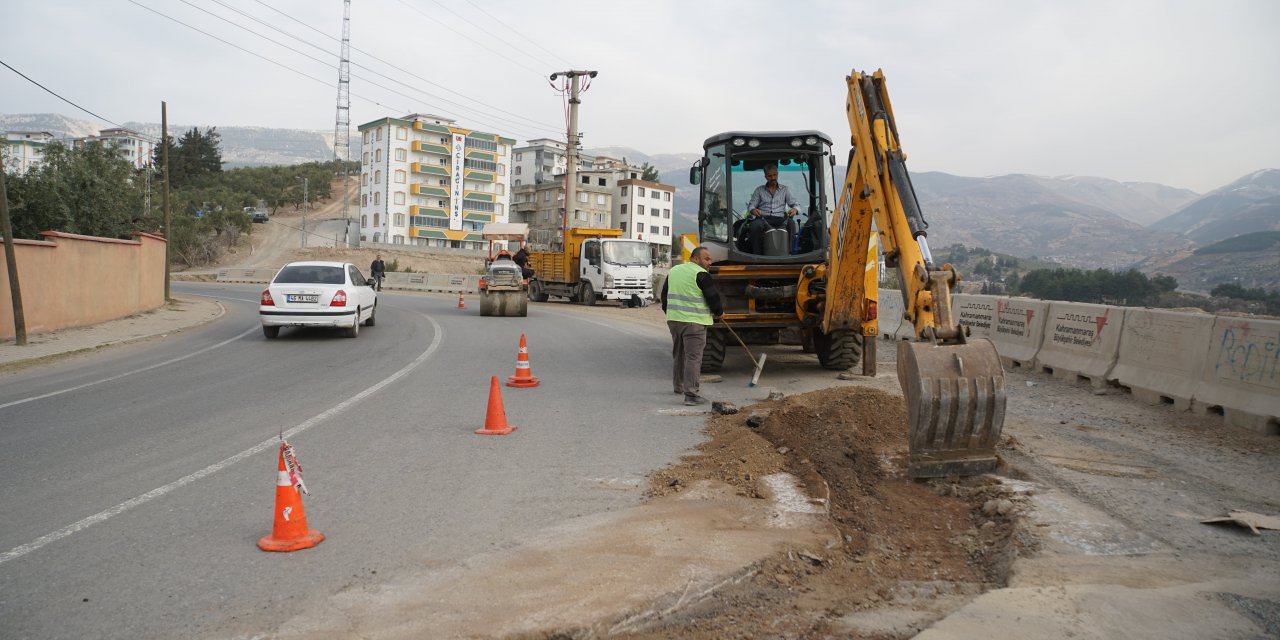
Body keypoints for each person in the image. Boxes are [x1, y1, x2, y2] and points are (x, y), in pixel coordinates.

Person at [661, 246, 723, 406]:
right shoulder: (701, 274)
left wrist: (670, 313)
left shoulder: (674, 270)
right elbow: (713, 297)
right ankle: (691, 395)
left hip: (674, 320)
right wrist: (719, 312)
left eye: (710, 259)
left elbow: (664, 295)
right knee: (693, 358)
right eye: (707, 259)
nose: (710, 262)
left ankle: (678, 387)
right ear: (696, 259)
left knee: (679, 354)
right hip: (694, 322)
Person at [746, 165, 798, 255]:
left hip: (780, 219)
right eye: (770, 176)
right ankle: (757, 255)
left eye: (774, 175)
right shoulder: (759, 190)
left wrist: (795, 209)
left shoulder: (785, 190)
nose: (773, 178)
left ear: (777, 174)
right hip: (763, 219)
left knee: (791, 223)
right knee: (755, 226)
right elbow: (751, 205)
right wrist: (753, 210)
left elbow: (796, 205)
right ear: (765, 176)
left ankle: (790, 253)